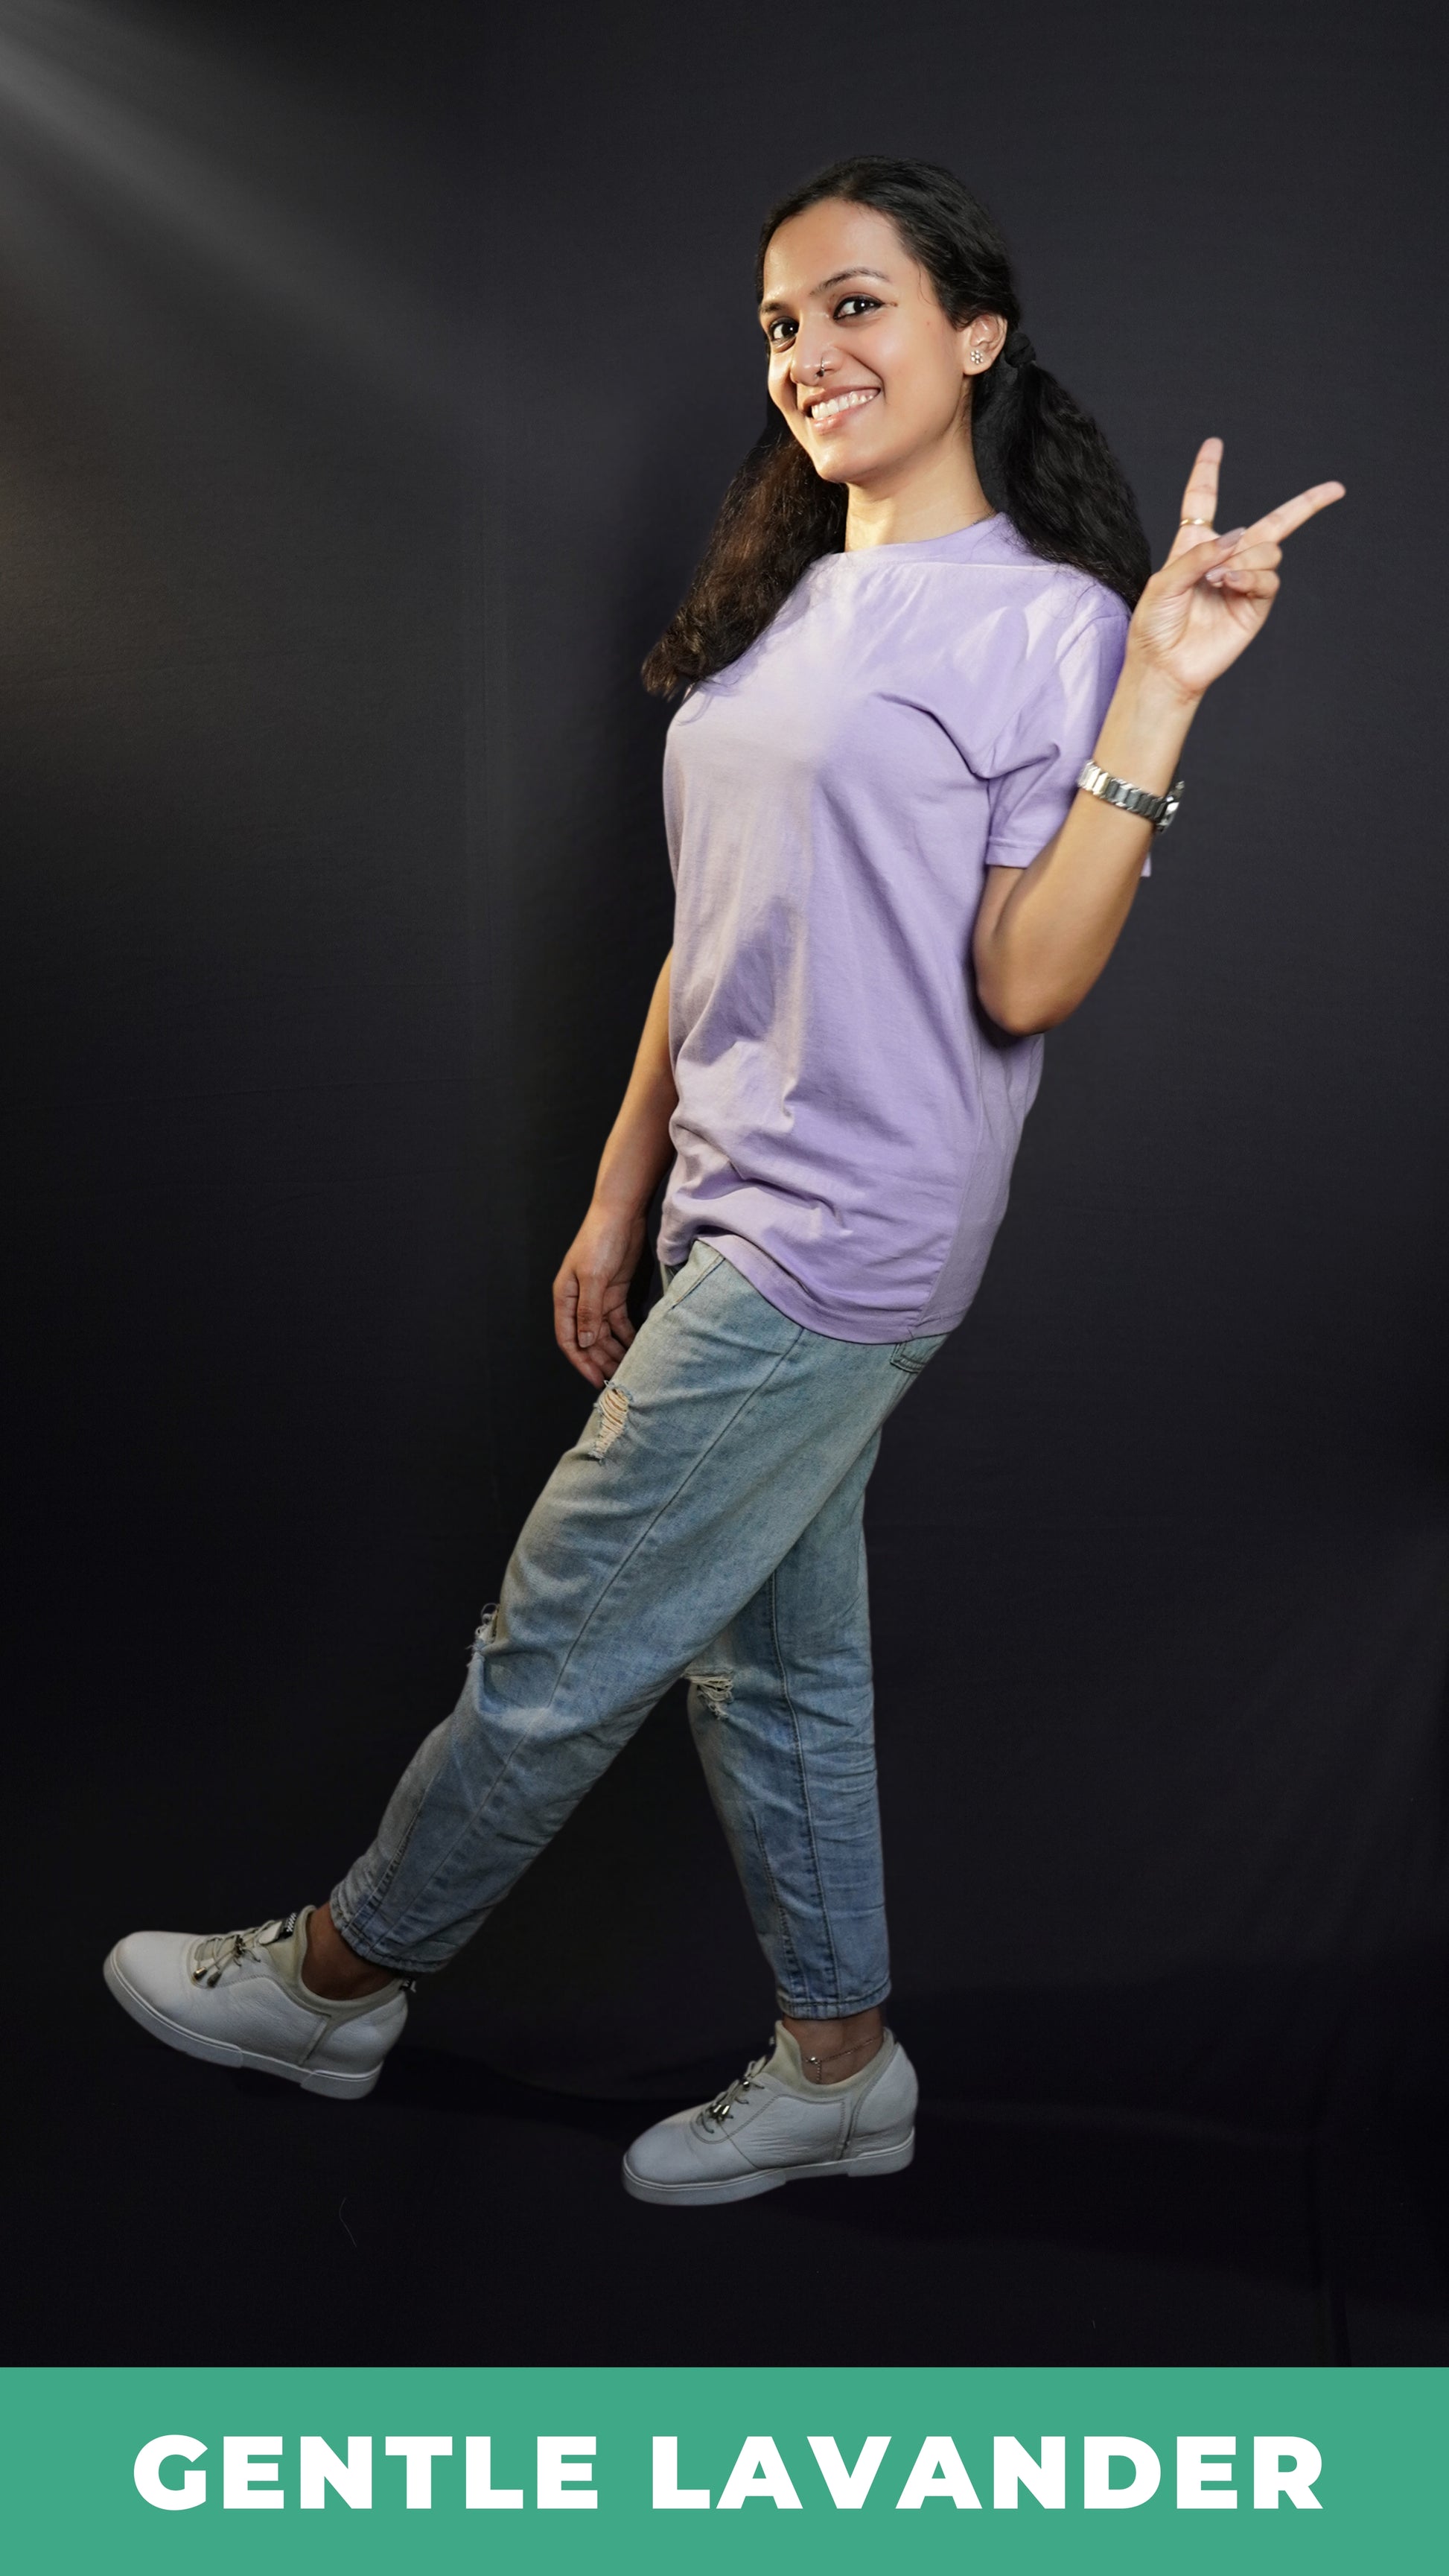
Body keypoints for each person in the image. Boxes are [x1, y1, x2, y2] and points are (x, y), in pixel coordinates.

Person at [104, 156, 1342, 2205]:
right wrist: (616, 1199)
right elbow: (710, 931)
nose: (808, 353)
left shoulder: (1058, 627)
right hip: (720, 1211)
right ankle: (842, 2064)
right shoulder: (786, 609)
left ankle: (337, 1978)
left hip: (847, 1229)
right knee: (769, 1661)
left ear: (972, 333)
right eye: (778, 324)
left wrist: (1159, 695)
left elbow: (1022, 977)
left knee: (565, 1622)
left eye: (855, 306)